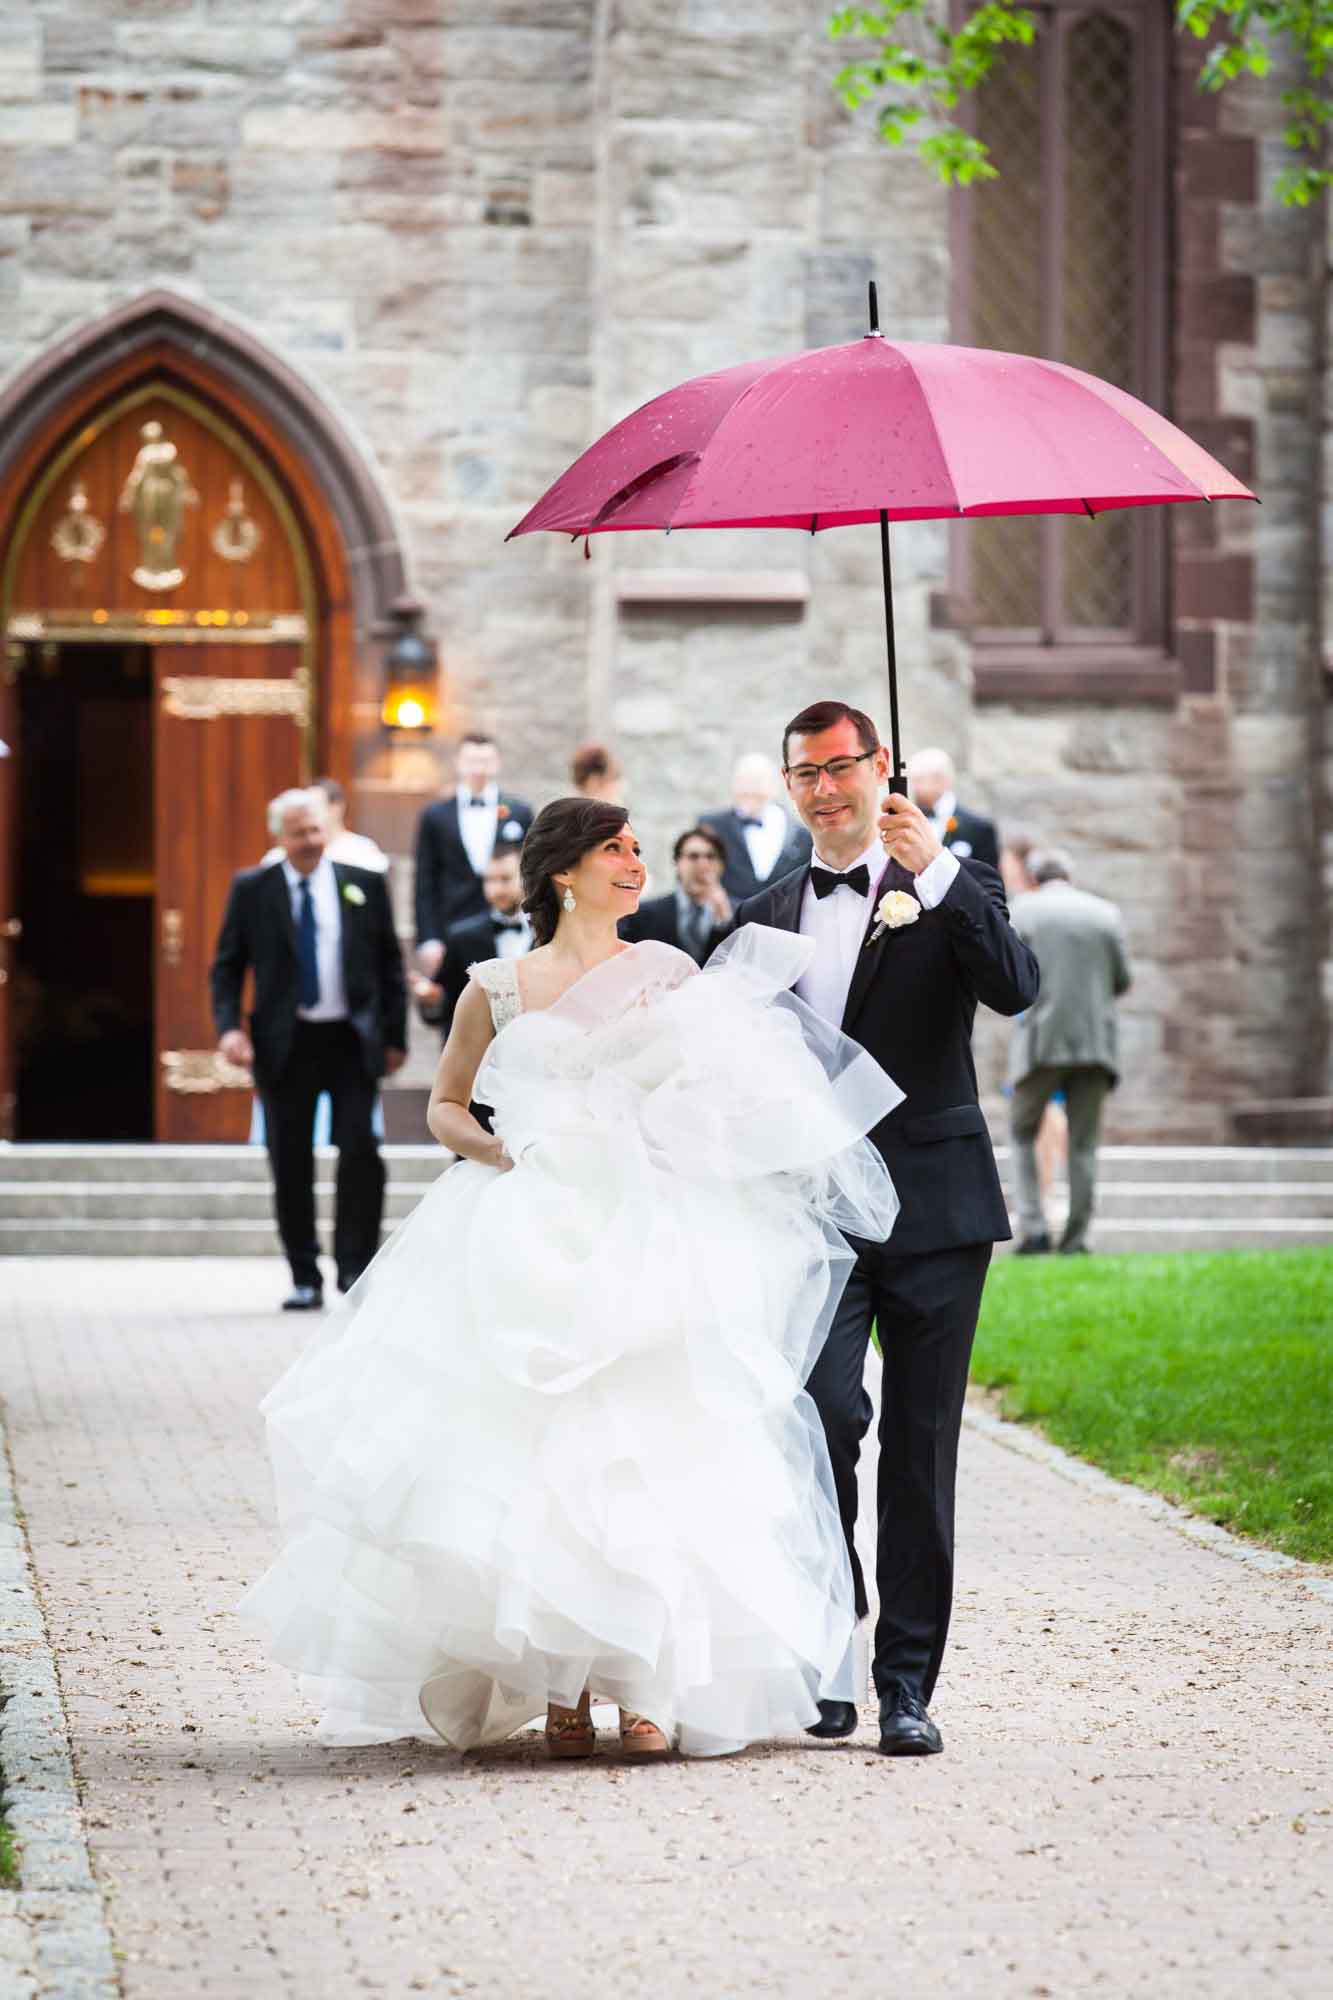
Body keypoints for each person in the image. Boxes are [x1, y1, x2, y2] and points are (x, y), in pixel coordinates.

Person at [239, 796, 903, 1762]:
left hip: (652, 1227)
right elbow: (446, 1108)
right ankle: (560, 1685)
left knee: (654, 1443)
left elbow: (719, 1091)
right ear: (563, 873)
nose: (635, 864)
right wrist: (509, 1155)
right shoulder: (497, 988)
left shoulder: (669, 972)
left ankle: (648, 1684)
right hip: (533, 1223)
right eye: (615, 851)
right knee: (533, 1448)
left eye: (638, 849)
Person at [733, 700, 1038, 1758]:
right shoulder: (762, 909)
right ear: (786, 786)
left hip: (936, 1207)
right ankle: (831, 1638)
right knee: (815, 1420)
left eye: (839, 767)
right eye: (803, 773)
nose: (823, 788)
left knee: (919, 1449)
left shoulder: (948, 885)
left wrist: (941, 876)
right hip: (816, 1215)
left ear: (879, 770)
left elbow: (1017, 986)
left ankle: (904, 1683)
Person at [211, 788, 407, 1311]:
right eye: (299, 833)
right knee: (290, 1159)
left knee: (361, 1153)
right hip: (285, 1043)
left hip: (349, 1039)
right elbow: (228, 965)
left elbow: (389, 962)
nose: (310, 842)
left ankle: (353, 1269)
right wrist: (230, 1028)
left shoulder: (362, 884)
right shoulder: (253, 889)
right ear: (280, 836)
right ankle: (304, 1275)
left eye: (317, 830)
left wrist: (394, 1037)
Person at [1007, 849, 1132, 1256]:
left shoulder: (1022, 911)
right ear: (1069, 876)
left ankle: (1035, 1229)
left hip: (1041, 1041)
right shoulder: (1105, 914)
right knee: (1084, 1142)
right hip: (1095, 1043)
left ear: (1033, 878)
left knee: (1022, 1133)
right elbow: (1122, 980)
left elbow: (1009, 976)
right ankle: (1077, 1238)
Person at [414, 734, 533, 979]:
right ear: (458, 762)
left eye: (486, 761)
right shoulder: (434, 816)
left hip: (507, 927)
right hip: (452, 927)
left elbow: (532, 872)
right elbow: (424, 882)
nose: (479, 768)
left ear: (497, 763)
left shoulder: (520, 812)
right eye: (471, 760)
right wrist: (429, 938)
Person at [413, 847, 532, 1042]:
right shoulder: (462, 937)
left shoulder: (550, 932)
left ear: (527, 877)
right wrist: (432, 1000)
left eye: (505, 879)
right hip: (478, 1058)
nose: (496, 889)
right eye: (489, 880)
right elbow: (446, 1008)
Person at [702, 753, 811, 903]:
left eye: (756, 782)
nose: (748, 789)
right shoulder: (711, 827)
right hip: (730, 922)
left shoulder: (803, 836)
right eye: (742, 781)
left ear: (775, 786)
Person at [619, 825, 732, 966]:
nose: (703, 864)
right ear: (677, 863)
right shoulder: (643, 914)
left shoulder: (737, 914)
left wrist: (724, 922)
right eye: (693, 856)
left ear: (721, 865)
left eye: (710, 857)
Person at [907, 747, 999, 869]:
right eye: (913, 781)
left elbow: (988, 882)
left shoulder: (979, 828)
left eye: (919, 780)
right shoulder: (909, 823)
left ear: (942, 781)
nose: (914, 788)